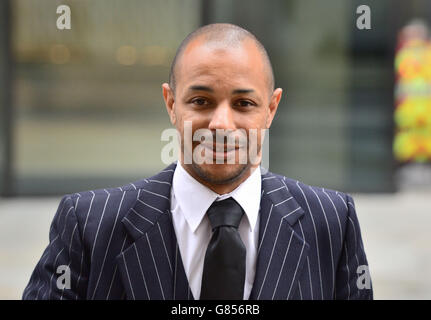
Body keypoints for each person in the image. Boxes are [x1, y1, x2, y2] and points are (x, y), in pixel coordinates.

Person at [23, 23, 373, 300]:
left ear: (271, 108)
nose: (221, 124)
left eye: (243, 104)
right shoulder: (88, 226)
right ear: (171, 104)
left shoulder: (332, 222)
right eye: (201, 101)